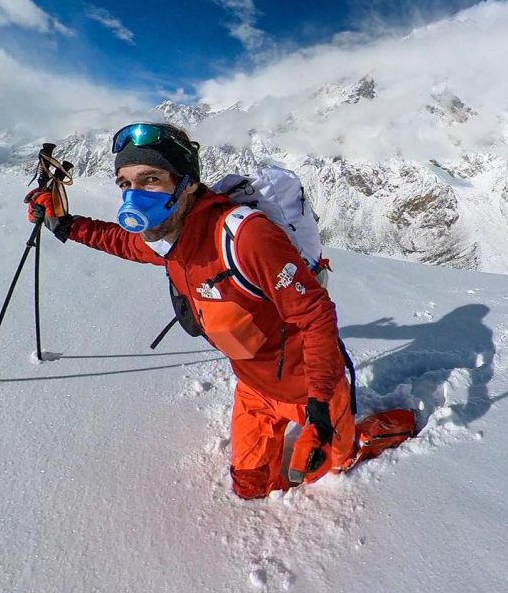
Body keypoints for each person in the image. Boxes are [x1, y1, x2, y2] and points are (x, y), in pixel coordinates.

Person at [26, 121, 355, 499]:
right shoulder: (171, 238)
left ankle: (381, 429)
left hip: (310, 389)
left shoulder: (246, 238)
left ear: (187, 184)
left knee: (336, 470)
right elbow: (122, 241)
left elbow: (315, 316)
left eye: (150, 179)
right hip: (253, 387)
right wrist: (65, 225)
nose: (134, 197)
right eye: (125, 184)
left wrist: (319, 412)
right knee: (249, 488)